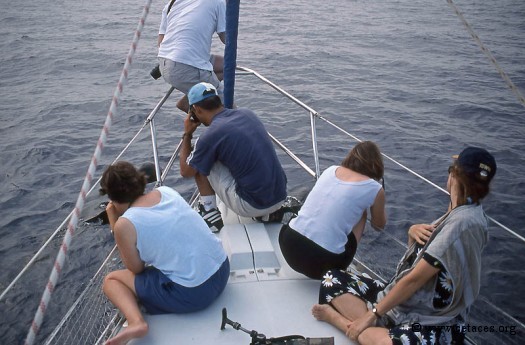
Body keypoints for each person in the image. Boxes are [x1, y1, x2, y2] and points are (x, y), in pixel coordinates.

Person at [311, 147, 497, 345]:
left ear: (455, 176)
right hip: (406, 304)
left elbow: (414, 279)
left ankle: (341, 321)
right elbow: (417, 265)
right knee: (331, 279)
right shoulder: (462, 212)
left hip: (430, 317)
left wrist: (372, 314)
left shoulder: (462, 224)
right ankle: (378, 329)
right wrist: (412, 234)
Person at [100, 161, 229, 345]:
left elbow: (135, 268)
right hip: (222, 270)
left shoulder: (125, 224)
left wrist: (114, 222)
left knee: (111, 281)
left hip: (195, 294)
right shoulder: (167, 191)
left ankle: (137, 323)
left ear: (113, 197)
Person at [179, 82, 288, 232]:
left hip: (252, 205)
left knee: (198, 160)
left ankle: (210, 213)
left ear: (196, 110)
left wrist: (187, 134)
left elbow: (186, 171)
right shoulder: (247, 113)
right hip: (280, 196)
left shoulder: (210, 136)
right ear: (218, 101)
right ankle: (269, 214)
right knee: (213, 153)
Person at [279, 141, 386, 279]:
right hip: (324, 265)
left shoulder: (331, 169)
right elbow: (378, 225)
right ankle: (347, 261)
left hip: (288, 245)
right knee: (362, 213)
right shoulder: (374, 188)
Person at [157, 0, 226, 113]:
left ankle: (187, 101)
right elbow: (227, 39)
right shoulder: (218, 2)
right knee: (226, 109)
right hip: (185, 67)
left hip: (164, 64)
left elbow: (160, 42)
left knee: (227, 66)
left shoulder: (172, 3)